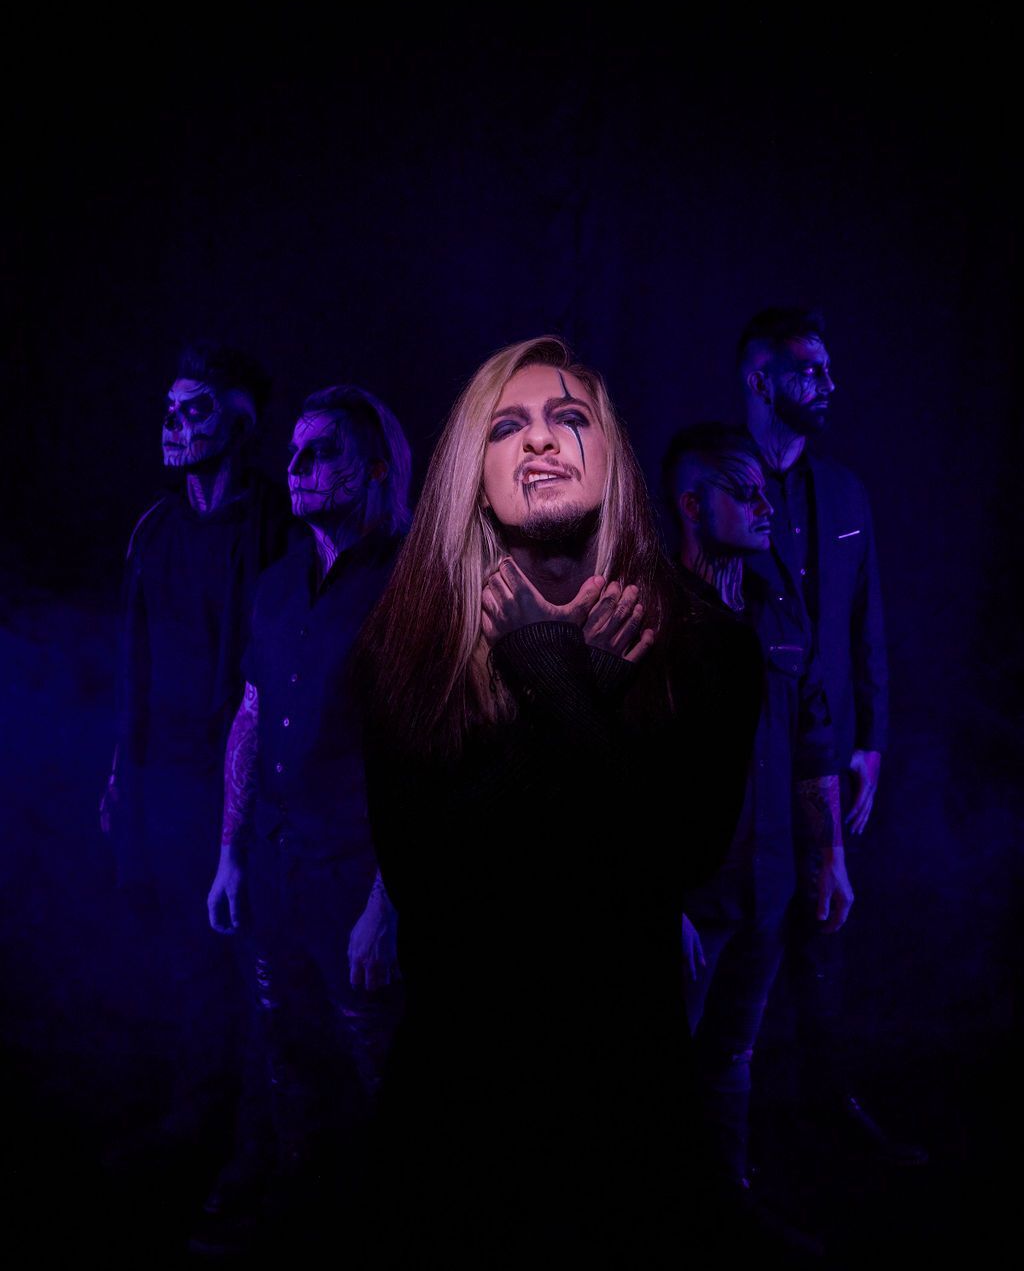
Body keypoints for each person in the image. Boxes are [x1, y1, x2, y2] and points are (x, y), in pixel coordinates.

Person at [358, 336, 763, 1262]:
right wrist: (575, 693)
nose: (540, 439)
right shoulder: (403, 650)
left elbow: (675, 859)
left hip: (629, 1101)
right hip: (457, 1101)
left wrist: (554, 683)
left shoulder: (709, 646)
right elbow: (432, 885)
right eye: (507, 427)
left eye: (569, 417)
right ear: (474, 475)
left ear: (613, 457)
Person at [206, 384, 410, 1241]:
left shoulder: (414, 584)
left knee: (381, 1063)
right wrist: (231, 853)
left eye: (321, 451)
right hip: (276, 863)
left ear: (375, 468)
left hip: (359, 874)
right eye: (292, 450)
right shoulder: (281, 582)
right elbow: (251, 714)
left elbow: (432, 756)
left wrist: (386, 905)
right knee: (283, 1047)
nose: (295, 467)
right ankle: (295, 1210)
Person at [738, 306, 925, 1163]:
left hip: (832, 752)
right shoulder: (719, 485)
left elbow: (865, 623)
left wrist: (872, 741)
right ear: (761, 379)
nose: (828, 385)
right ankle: (731, 1121)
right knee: (749, 926)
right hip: (746, 758)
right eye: (809, 370)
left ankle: (827, 1101)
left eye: (826, 367)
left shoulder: (846, 491)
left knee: (825, 925)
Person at [103, 343, 291, 1186]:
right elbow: (133, 660)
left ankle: (263, 1146)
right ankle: (196, 1123)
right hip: (169, 778)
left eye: (197, 409)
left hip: (246, 777)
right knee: (189, 955)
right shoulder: (154, 529)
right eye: (169, 409)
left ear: (241, 422)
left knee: (257, 961)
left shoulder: (274, 523)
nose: (174, 425)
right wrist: (123, 774)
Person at [662, 422, 848, 1209]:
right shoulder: (651, 615)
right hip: (688, 897)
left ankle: (728, 1208)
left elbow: (813, 740)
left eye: (765, 492)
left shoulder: (777, 604)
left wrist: (828, 854)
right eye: (744, 493)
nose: (766, 506)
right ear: (693, 505)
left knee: (732, 1054)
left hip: (766, 885)